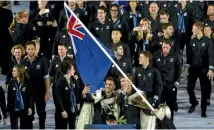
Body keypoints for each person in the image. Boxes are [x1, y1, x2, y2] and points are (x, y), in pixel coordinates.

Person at [185, 21, 214, 117]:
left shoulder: (208, 41)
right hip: (193, 69)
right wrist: (187, 68)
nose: (192, 30)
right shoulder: (191, 41)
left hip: (204, 69)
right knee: (189, 87)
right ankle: (194, 102)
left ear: (198, 29)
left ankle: (203, 110)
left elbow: (211, 56)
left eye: (193, 28)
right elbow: (189, 56)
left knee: (204, 91)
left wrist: (211, 69)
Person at [20, 41, 50, 128]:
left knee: (41, 112)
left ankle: (42, 127)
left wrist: (47, 92)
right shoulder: (23, 62)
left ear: (35, 49)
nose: (30, 51)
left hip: (40, 91)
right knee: (29, 112)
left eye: (32, 49)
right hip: (28, 93)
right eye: (28, 49)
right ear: (26, 50)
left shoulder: (42, 60)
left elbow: (46, 77)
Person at [132, 51, 163, 129]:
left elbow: (159, 85)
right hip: (140, 99)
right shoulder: (137, 70)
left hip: (150, 99)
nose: (139, 58)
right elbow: (134, 84)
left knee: (149, 122)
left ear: (147, 58)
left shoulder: (154, 70)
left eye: (141, 57)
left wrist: (155, 99)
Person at [153, 39, 182, 120]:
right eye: (163, 47)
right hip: (160, 85)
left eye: (167, 47)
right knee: (159, 106)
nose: (165, 49)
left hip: (170, 85)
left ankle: (170, 124)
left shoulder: (175, 56)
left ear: (170, 47)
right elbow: (153, 69)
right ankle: (160, 124)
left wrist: (177, 82)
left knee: (170, 107)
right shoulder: (156, 55)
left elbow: (179, 69)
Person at [53, 59, 80, 129]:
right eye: (73, 69)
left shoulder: (73, 80)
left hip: (71, 109)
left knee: (72, 127)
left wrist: (77, 102)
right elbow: (58, 98)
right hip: (63, 110)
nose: (74, 70)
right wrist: (62, 110)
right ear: (68, 70)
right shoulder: (60, 82)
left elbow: (76, 92)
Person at [7, 64, 33, 129]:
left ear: (19, 72)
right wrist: (8, 110)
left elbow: (30, 96)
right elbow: (9, 97)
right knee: (13, 127)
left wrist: (30, 107)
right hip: (13, 109)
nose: (12, 72)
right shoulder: (11, 82)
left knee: (24, 126)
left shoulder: (27, 82)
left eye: (14, 71)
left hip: (24, 109)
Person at [0, 1, 13, 75]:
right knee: (6, 55)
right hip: (5, 37)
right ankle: (5, 71)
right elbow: (9, 23)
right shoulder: (8, 12)